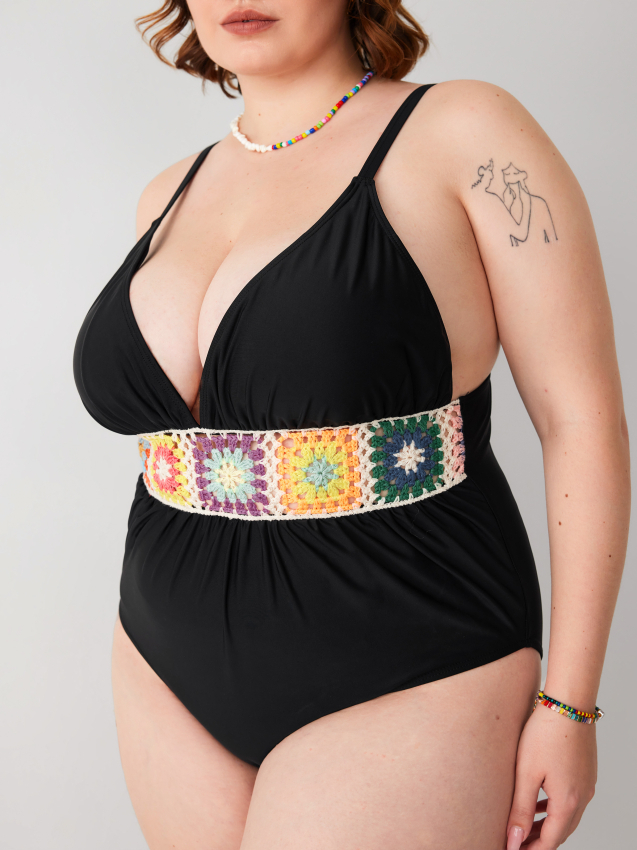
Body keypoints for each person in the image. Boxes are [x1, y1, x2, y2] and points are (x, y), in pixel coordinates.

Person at [73, 2, 630, 848]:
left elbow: (578, 420)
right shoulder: (169, 191)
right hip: (163, 654)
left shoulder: (464, 130)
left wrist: (570, 704)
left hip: (409, 654)